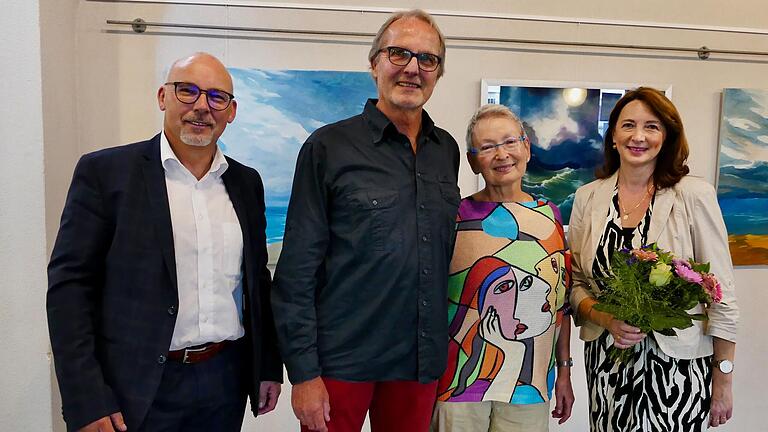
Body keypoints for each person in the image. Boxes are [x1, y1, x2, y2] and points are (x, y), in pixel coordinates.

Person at [47, 52, 282, 432]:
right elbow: (70, 290)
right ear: (162, 97)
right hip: (136, 386)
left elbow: (256, 281)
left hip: (226, 379)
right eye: (187, 91)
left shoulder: (245, 182)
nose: (202, 106)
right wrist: (86, 398)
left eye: (216, 97)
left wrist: (268, 364)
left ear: (231, 110)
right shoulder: (106, 173)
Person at [271, 9, 460, 432]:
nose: (412, 68)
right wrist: (303, 373)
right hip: (343, 360)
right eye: (399, 54)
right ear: (374, 63)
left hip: (418, 360)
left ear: (438, 73)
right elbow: (297, 269)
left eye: (427, 59)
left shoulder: (444, 149)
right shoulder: (328, 147)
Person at [568, 87, 738, 431]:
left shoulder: (693, 194)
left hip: (676, 369)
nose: (639, 136)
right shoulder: (589, 197)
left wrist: (723, 379)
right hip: (607, 362)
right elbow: (576, 283)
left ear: (668, 136)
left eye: (652, 126)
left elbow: (720, 291)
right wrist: (604, 316)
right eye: (628, 125)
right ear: (613, 135)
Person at [432, 104, 574, 432]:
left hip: (531, 383)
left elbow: (560, 306)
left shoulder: (550, 215)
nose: (502, 154)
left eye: (510, 142)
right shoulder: (453, 215)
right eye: (487, 147)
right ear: (472, 160)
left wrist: (564, 371)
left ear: (526, 146)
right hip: (459, 381)